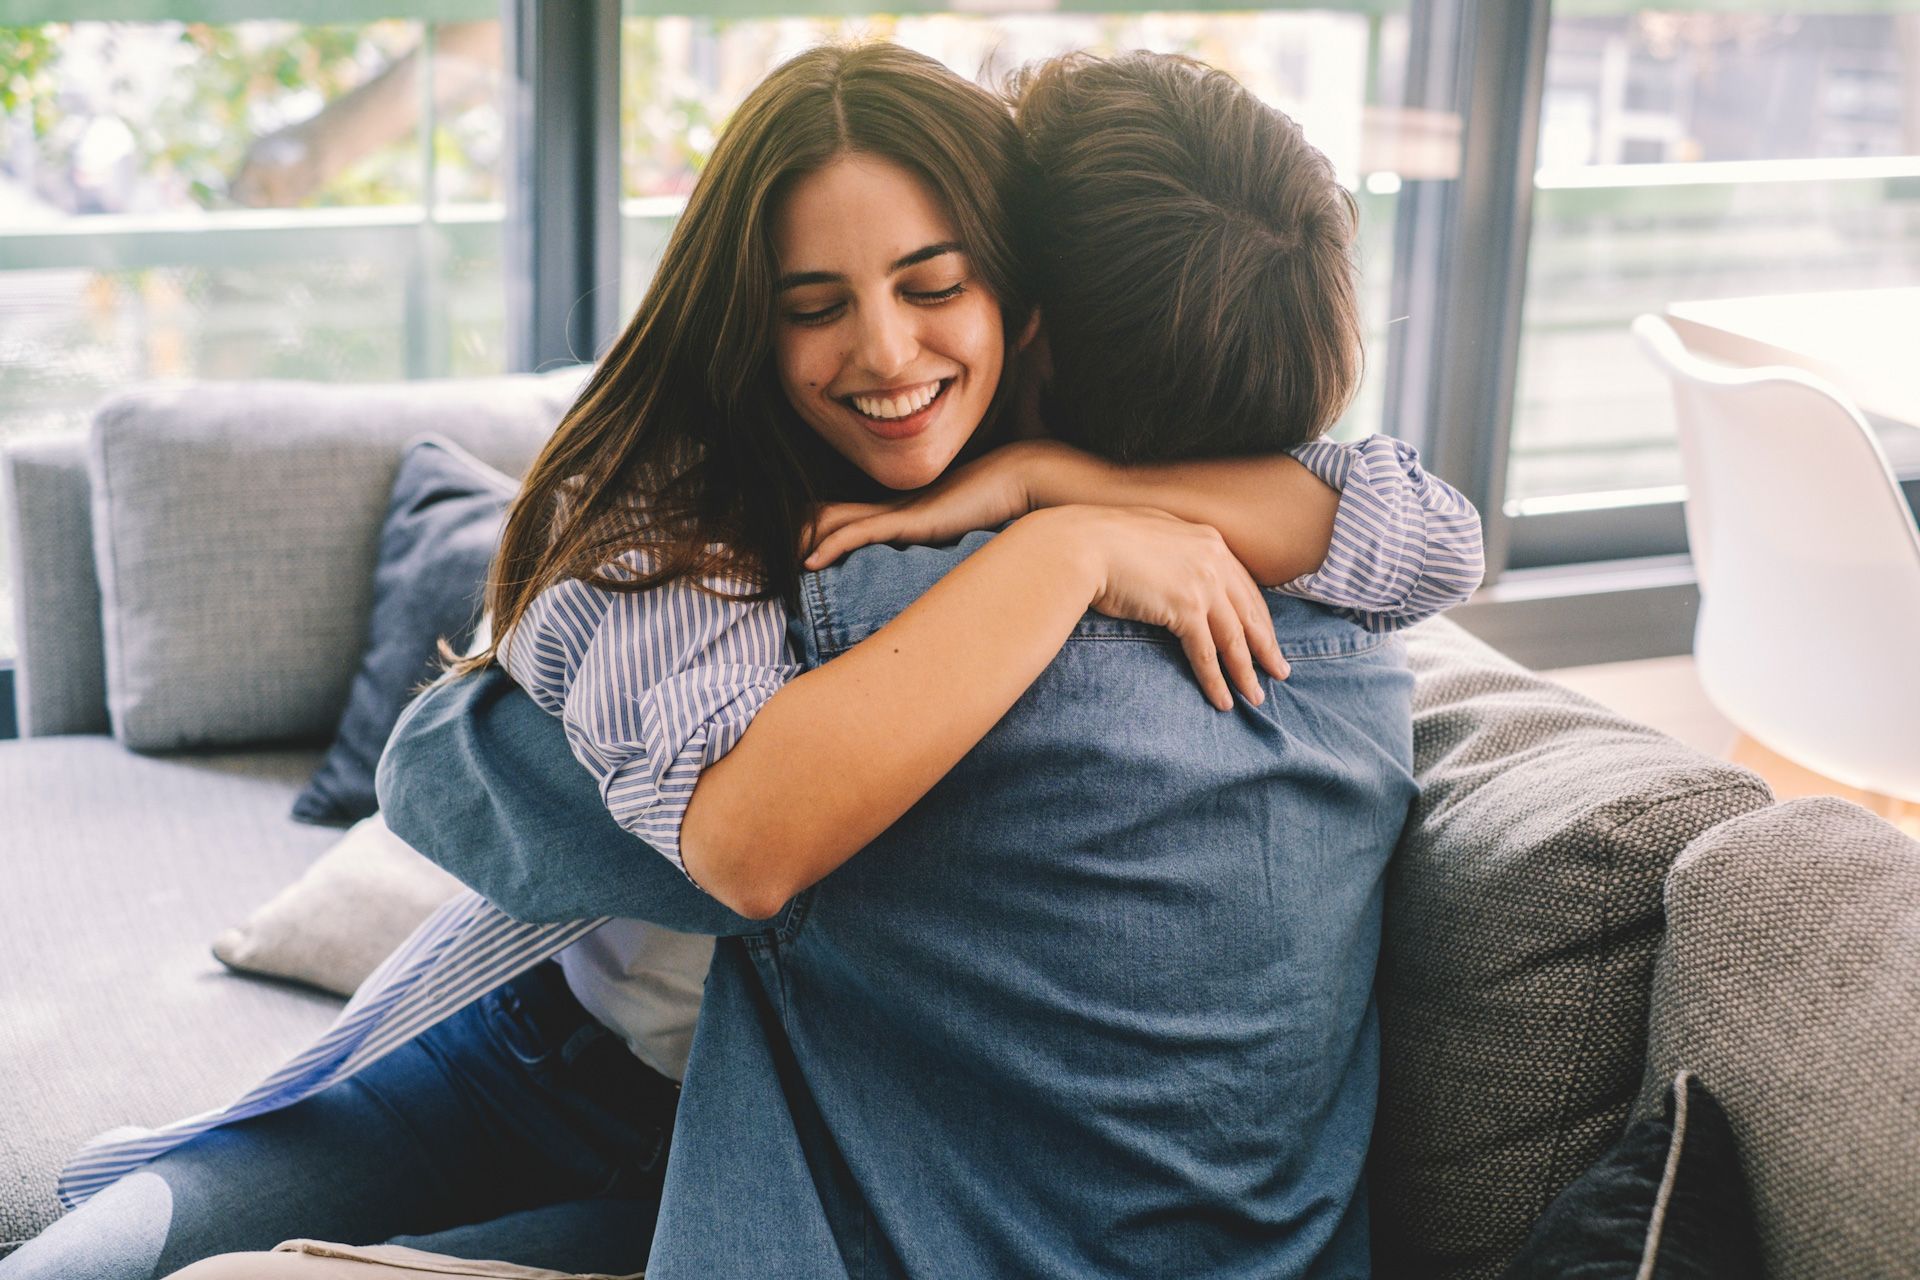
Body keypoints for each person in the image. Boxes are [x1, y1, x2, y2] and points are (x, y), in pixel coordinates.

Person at [5, 43, 1475, 1280]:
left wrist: (1050, 484)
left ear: (1021, 305)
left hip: (760, 1127)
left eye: (930, 282)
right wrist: (1066, 546)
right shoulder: (680, 529)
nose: (886, 353)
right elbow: (738, 835)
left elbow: (1428, 534)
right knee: (109, 1255)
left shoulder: (1077, 475)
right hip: (544, 1059)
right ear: (748, 322)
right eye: (812, 306)